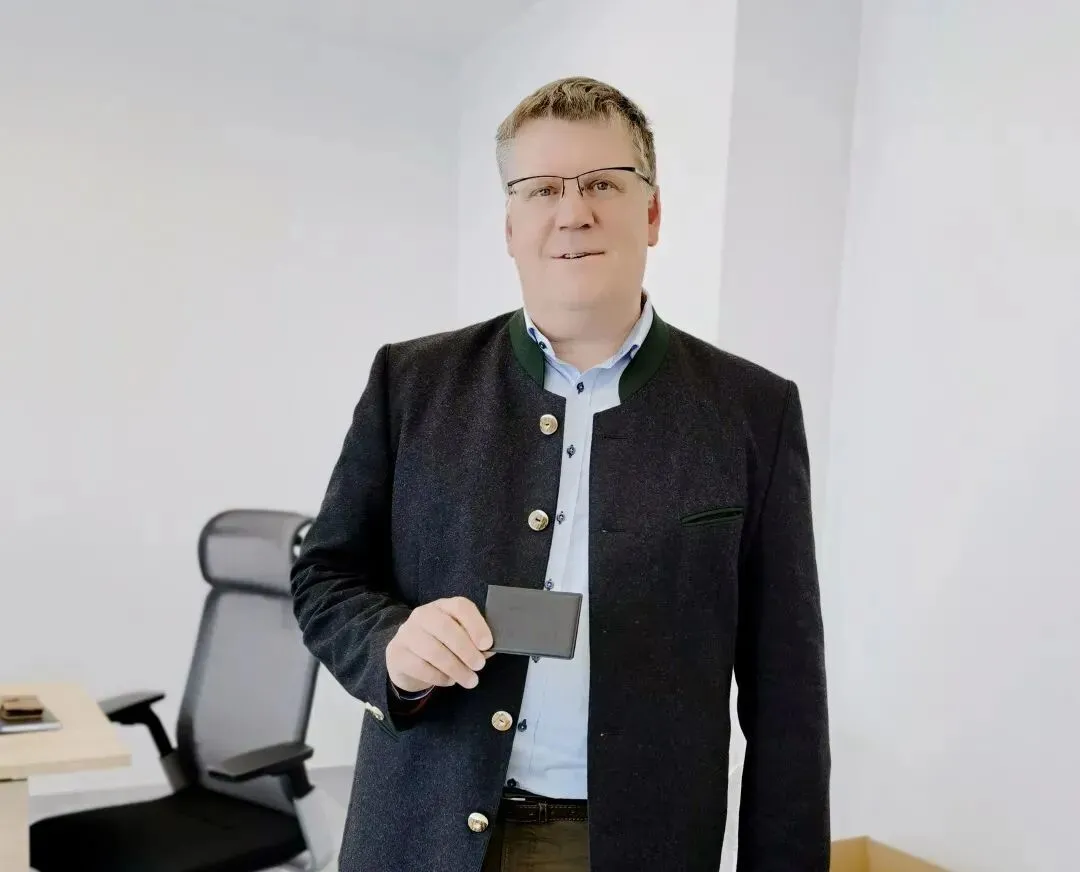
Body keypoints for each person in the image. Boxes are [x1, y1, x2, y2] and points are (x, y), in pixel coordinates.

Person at [290, 75, 830, 872]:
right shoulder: (413, 384)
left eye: (603, 184)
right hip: (421, 828)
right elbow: (325, 576)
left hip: (635, 846)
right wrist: (390, 648)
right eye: (542, 188)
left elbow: (788, 695)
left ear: (653, 213)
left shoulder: (753, 410)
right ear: (511, 225)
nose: (573, 212)